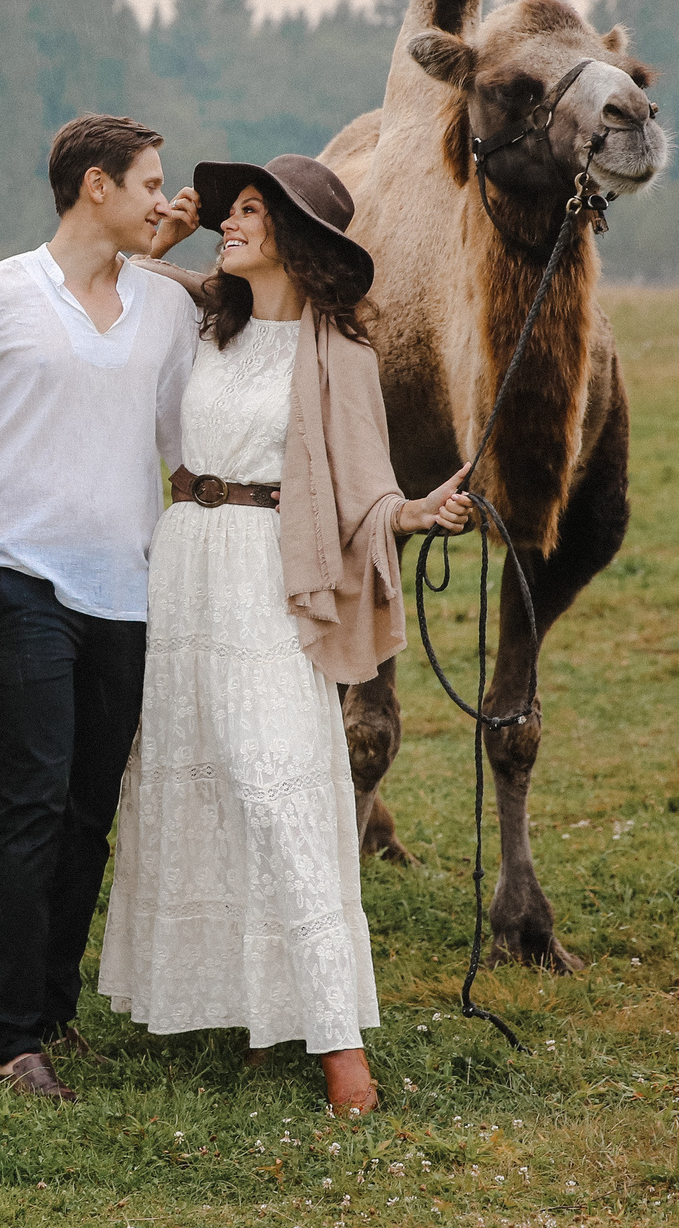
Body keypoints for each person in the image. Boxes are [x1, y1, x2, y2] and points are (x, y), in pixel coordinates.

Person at [99, 153, 472, 1118]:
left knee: (279, 785)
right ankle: (251, 1006)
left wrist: (418, 512)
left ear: (296, 239)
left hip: (266, 575)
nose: (229, 223)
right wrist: (165, 236)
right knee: (199, 780)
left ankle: (338, 1038)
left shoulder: (339, 354)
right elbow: (105, 284)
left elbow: (369, 489)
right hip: (184, 568)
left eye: (251, 211)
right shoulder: (198, 321)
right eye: (229, 211)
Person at [0, 115, 203, 1102]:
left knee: (87, 809)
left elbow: (183, 449)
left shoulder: (166, 312)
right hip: (16, 579)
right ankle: (13, 1038)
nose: (165, 202)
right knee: (33, 797)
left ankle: (55, 1006)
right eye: (150, 184)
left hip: (126, 590)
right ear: (94, 186)